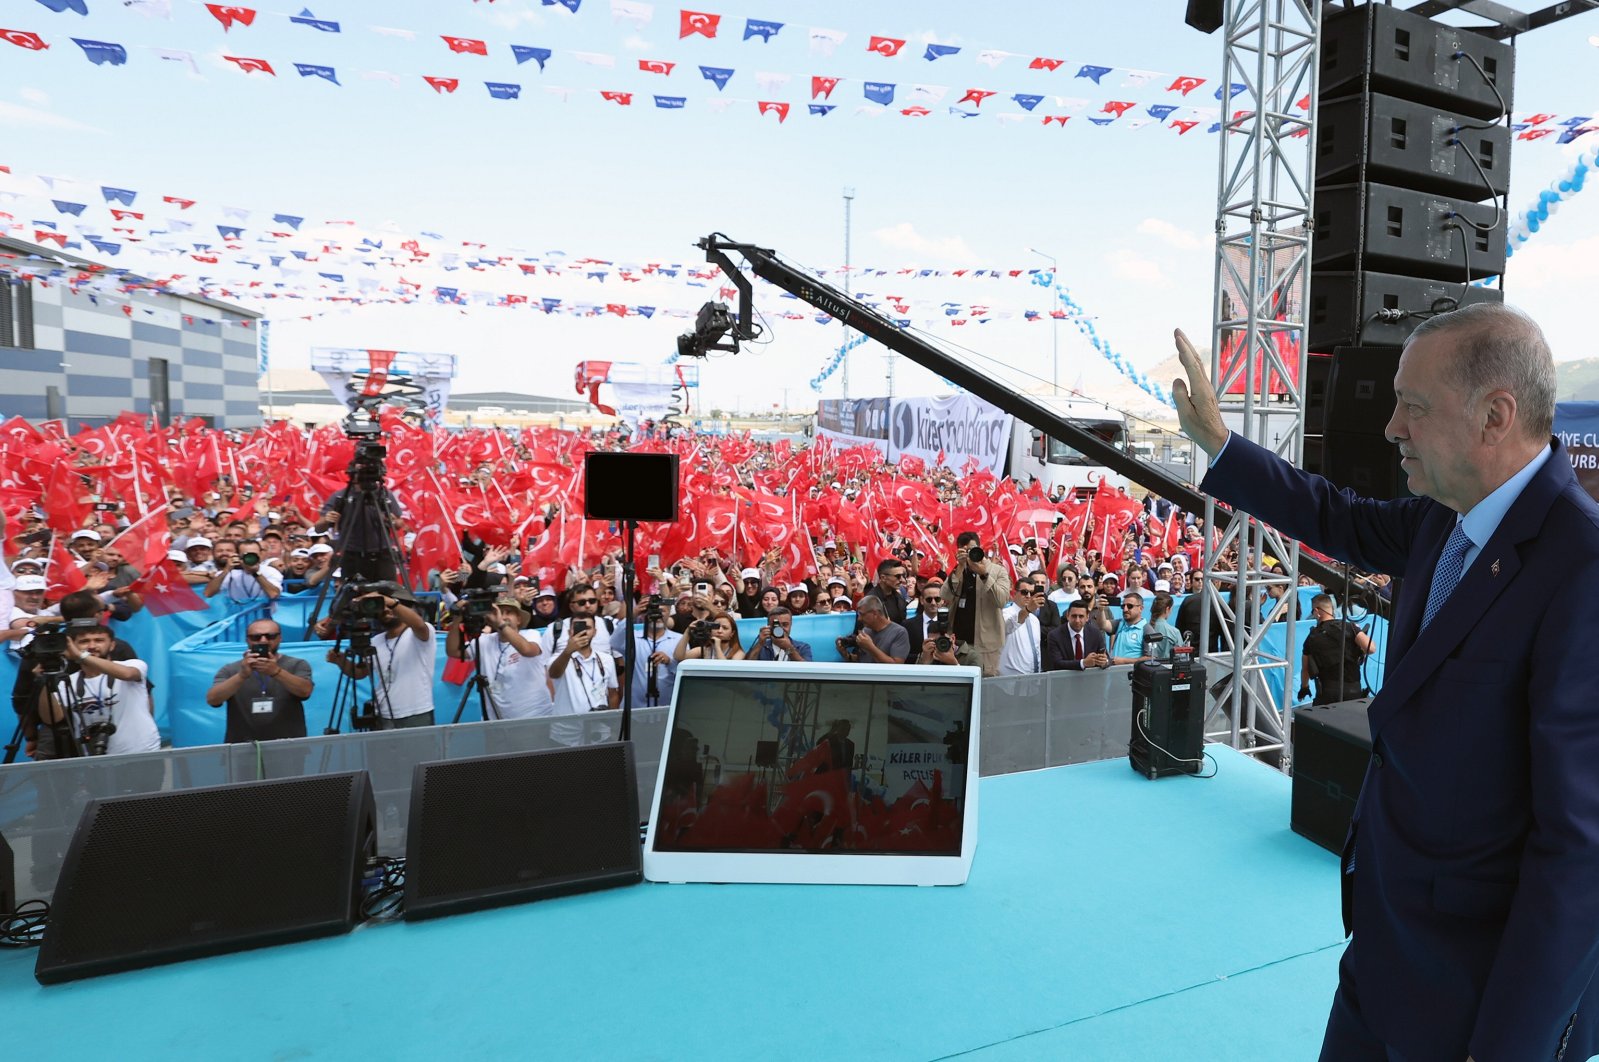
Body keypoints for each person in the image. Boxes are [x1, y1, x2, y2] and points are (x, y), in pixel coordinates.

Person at [1172, 304, 1599, 1061]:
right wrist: (1219, 445)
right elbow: (1335, 516)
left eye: (1414, 405)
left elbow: (1577, 851)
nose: (1390, 427)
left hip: (1475, 994)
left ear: (1494, 416)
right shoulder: (1444, 515)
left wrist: (1511, 1047)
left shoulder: (1581, 568)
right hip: (1382, 952)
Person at [34, 622, 160, 758]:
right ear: (71, 647)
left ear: (112, 645)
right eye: (84, 641)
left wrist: (81, 656)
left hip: (142, 752)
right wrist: (45, 680)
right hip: (94, 757)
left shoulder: (132, 664)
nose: (92, 646)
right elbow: (52, 718)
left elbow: (127, 674)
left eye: (99, 640)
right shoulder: (67, 682)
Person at [322, 585, 436, 728]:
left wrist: (390, 602)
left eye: (391, 606)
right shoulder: (376, 640)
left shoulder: (419, 633)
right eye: (382, 606)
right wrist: (341, 661)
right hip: (383, 714)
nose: (387, 610)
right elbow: (360, 672)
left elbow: (419, 625)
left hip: (416, 713)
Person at [204, 618, 314, 743]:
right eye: (256, 637)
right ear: (247, 640)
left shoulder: (297, 664)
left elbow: (305, 691)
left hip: (288, 745)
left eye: (270, 636)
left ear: (280, 638)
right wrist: (242, 676)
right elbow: (213, 699)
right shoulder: (230, 669)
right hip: (242, 747)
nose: (263, 641)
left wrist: (276, 671)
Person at [446, 595, 551, 721]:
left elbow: (527, 650)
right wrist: (457, 619)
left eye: (509, 612)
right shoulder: (483, 641)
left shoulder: (531, 635)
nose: (504, 616)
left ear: (518, 619)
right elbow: (453, 651)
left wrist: (500, 623)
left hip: (533, 717)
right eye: (500, 612)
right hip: (495, 719)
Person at [939, 531, 1012, 676]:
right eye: (964, 551)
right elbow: (945, 595)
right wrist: (958, 568)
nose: (968, 554)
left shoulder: (997, 571)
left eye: (972, 549)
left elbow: (1002, 600)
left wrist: (984, 575)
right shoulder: (959, 571)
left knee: (986, 685)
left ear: (980, 549)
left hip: (986, 645)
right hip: (958, 643)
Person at [547, 616, 620, 744]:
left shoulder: (606, 659)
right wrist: (568, 651)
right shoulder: (559, 657)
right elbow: (554, 673)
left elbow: (613, 693)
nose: (584, 632)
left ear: (595, 632)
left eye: (588, 628)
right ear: (570, 632)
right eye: (578, 628)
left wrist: (611, 721)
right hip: (565, 735)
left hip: (600, 732)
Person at [1297, 594, 1374, 705]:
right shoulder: (1350, 627)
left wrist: (1304, 688)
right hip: (1354, 693)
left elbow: (1305, 669)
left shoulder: (1311, 637)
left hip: (1327, 695)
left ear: (1316, 611)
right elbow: (1371, 649)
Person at [610, 598, 682, 708]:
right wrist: (632, 615)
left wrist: (669, 662)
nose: (657, 615)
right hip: (635, 709)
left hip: (665, 708)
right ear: (644, 614)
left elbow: (683, 674)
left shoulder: (679, 640)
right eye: (653, 610)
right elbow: (614, 642)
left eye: (662, 611)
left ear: (669, 614)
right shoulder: (633, 636)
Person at [205, 537, 284, 605]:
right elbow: (208, 593)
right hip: (237, 617)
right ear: (238, 555)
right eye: (246, 555)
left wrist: (256, 573)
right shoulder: (231, 573)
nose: (250, 558)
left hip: (264, 617)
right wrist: (226, 570)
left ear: (260, 554)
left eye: (253, 555)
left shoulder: (270, 571)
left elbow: (274, 594)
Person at [836, 595, 908, 664]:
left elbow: (896, 665)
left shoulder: (899, 633)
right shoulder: (866, 630)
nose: (859, 619)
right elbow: (863, 660)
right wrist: (846, 655)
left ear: (875, 614)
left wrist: (870, 647)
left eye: (862, 614)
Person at [997, 579, 1046, 676]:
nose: (1028, 596)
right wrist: (1027, 610)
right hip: (1010, 677)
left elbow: (1036, 650)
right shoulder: (1005, 613)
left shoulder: (1034, 620)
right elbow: (1008, 626)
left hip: (1032, 678)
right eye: (1024, 592)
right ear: (1015, 593)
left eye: (1032, 593)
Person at [1045, 600, 1110, 671]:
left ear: (1087, 617)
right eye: (1074, 616)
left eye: (1081, 616)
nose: (1077, 620)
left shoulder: (1095, 633)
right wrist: (1083, 663)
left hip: (1090, 679)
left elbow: (1107, 659)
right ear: (1067, 616)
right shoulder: (1055, 635)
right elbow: (1056, 663)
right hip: (1065, 680)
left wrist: (1104, 662)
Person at [672, 608, 746, 662]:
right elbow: (679, 657)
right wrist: (688, 632)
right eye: (716, 627)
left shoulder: (739, 652)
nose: (720, 631)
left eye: (725, 628)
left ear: (732, 633)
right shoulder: (705, 649)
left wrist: (717, 647)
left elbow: (726, 670)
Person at [747, 605, 812, 661]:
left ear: (791, 625)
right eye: (776, 625)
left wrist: (788, 648)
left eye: (785, 624)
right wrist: (760, 643)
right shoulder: (761, 646)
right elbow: (747, 667)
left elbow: (808, 670)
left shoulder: (802, 647)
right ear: (768, 626)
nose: (780, 629)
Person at [1107, 592, 1152, 665]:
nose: (1125, 609)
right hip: (1115, 674)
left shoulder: (1147, 629)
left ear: (1141, 608)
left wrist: (1124, 661)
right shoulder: (1120, 623)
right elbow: (1103, 624)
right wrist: (1101, 610)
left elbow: (1150, 658)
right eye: (1123, 606)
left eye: (1129, 606)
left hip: (1134, 675)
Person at [859, 558, 908, 626]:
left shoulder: (899, 598)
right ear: (883, 578)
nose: (902, 580)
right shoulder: (870, 601)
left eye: (903, 576)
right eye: (898, 576)